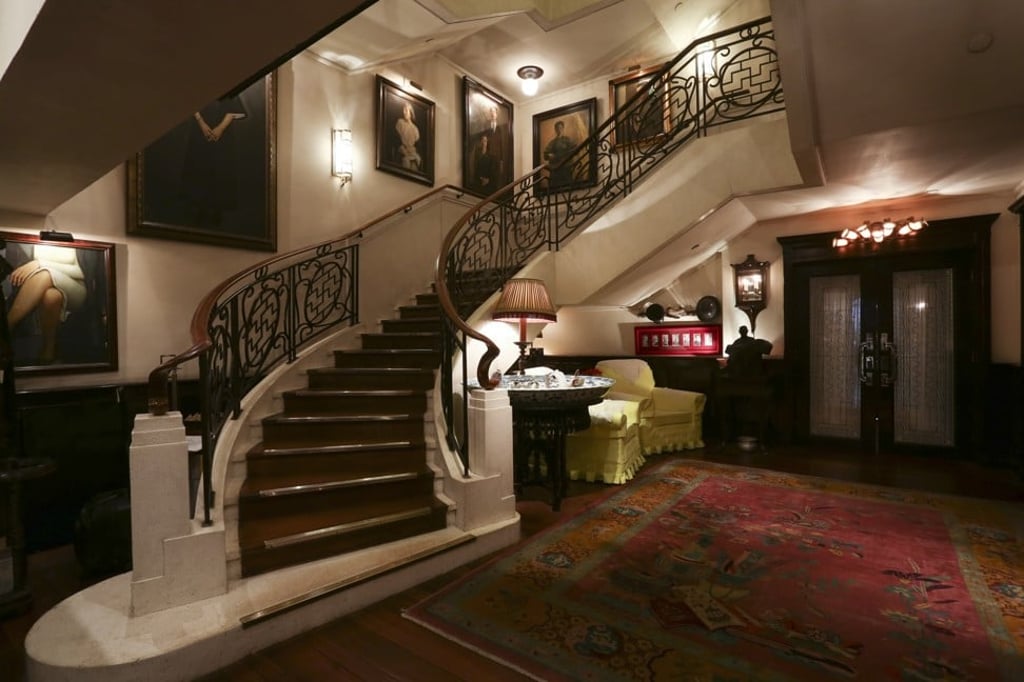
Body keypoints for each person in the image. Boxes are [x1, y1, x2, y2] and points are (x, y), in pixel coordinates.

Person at [5, 243, 87, 364]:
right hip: (44, 283)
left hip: (75, 286)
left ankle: (6, 327)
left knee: (45, 273)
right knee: (51, 296)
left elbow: (80, 272)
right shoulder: (32, 237)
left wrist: (39, 263)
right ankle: (48, 351)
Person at [179, 95, 248, 228]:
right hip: (200, 130)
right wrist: (202, 124)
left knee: (220, 167)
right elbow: (191, 103)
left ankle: (218, 209)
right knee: (199, 165)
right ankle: (198, 206)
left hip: (223, 132)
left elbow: (232, 108)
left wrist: (220, 128)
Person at [542, 120, 577, 189]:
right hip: (556, 167)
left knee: (567, 186)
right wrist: (549, 155)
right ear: (555, 130)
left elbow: (574, 149)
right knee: (554, 186)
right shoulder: (553, 142)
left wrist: (566, 156)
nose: (559, 130)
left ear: (563, 128)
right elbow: (545, 154)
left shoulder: (568, 140)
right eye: (557, 128)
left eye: (560, 128)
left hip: (566, 166)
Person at [395, 102, 421, 171]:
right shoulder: (400, 122)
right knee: (406, 162)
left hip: (412, 151)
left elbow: (416, 142)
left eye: (406, 110)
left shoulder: (415, 128)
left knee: (416, 163)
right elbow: (397, 138)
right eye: (404, 110)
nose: (404, 112)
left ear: (411, 112)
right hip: (403, 149)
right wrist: (403, 148)